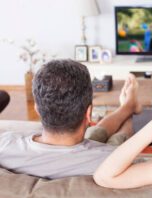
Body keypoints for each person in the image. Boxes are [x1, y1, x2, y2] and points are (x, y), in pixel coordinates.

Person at [0, 59, 141, 179]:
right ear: (89, 113)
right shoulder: (113, 161)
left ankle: (128, 106)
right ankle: (129, 107)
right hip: (93, 157)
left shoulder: (4, 145)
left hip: (74, 157)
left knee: (95, 133)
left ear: (37, 109)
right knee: (117, 137)